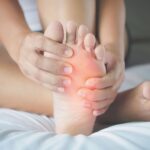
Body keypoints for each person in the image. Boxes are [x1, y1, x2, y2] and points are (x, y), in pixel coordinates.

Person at [0, 0, 150, 136]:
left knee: (71, 32)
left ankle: (75, 66)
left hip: (94, 37)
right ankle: (111, 106)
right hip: (11, 42)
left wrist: (113, 47)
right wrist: (18, 43)